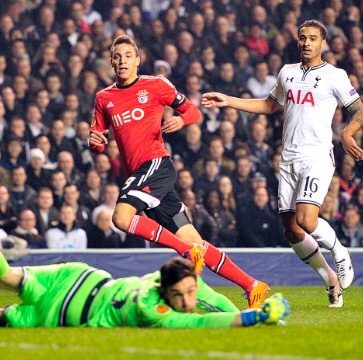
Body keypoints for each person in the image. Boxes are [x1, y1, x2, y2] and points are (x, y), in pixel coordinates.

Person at [0, 204, 290, 328]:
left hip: (77, 274)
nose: (188, 300)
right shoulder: (154, 309)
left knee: (6, 275)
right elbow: (204, 322)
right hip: (64, 310)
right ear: (165, 294)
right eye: (181, 296)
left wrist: (251, 312)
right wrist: (256, 318)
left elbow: (214, 301)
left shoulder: (169, 278)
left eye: (189, 293)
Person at [88, 35, 269, 308]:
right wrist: (95, 142)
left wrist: (181, 120)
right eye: (117, 56)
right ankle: (253, 286)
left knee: (122, 218)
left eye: (127, 55)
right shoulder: (104, 98)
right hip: (139, 178)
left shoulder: (156, 84)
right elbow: (97, 140)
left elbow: (193, 111)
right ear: (111, 62)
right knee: (196, 242)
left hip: (157, 165)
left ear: (137, 60)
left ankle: (185, 251)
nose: (122, 60)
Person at [203, 20, 363, 307]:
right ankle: (331, 280)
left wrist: (346, 133)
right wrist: (228, 100)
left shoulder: (335, 75)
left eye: (312, 38)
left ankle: (340, 253)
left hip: (316, 157)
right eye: (302, 37)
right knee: (292, 230)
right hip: (288, 158)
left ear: (322, 43)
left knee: (306, 219)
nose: (306, 43)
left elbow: (359, 112)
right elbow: (269, 105)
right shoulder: (287, 73)